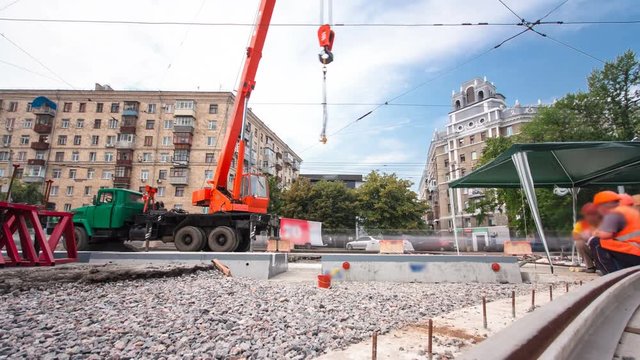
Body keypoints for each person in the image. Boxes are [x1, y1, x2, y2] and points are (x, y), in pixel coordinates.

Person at [587, 191, 640, 274]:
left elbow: (605, 234)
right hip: (634, 251)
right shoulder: (633, 214)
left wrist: (596, 232)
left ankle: (611, 275)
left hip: (635, 253)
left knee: (596, 241)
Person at [572, 203, 599, 273]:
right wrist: (584, 235)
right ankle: (590, 266)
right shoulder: (580, 224)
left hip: (602, 248)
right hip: (590, 248)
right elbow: (575, 236)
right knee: (579, 243)